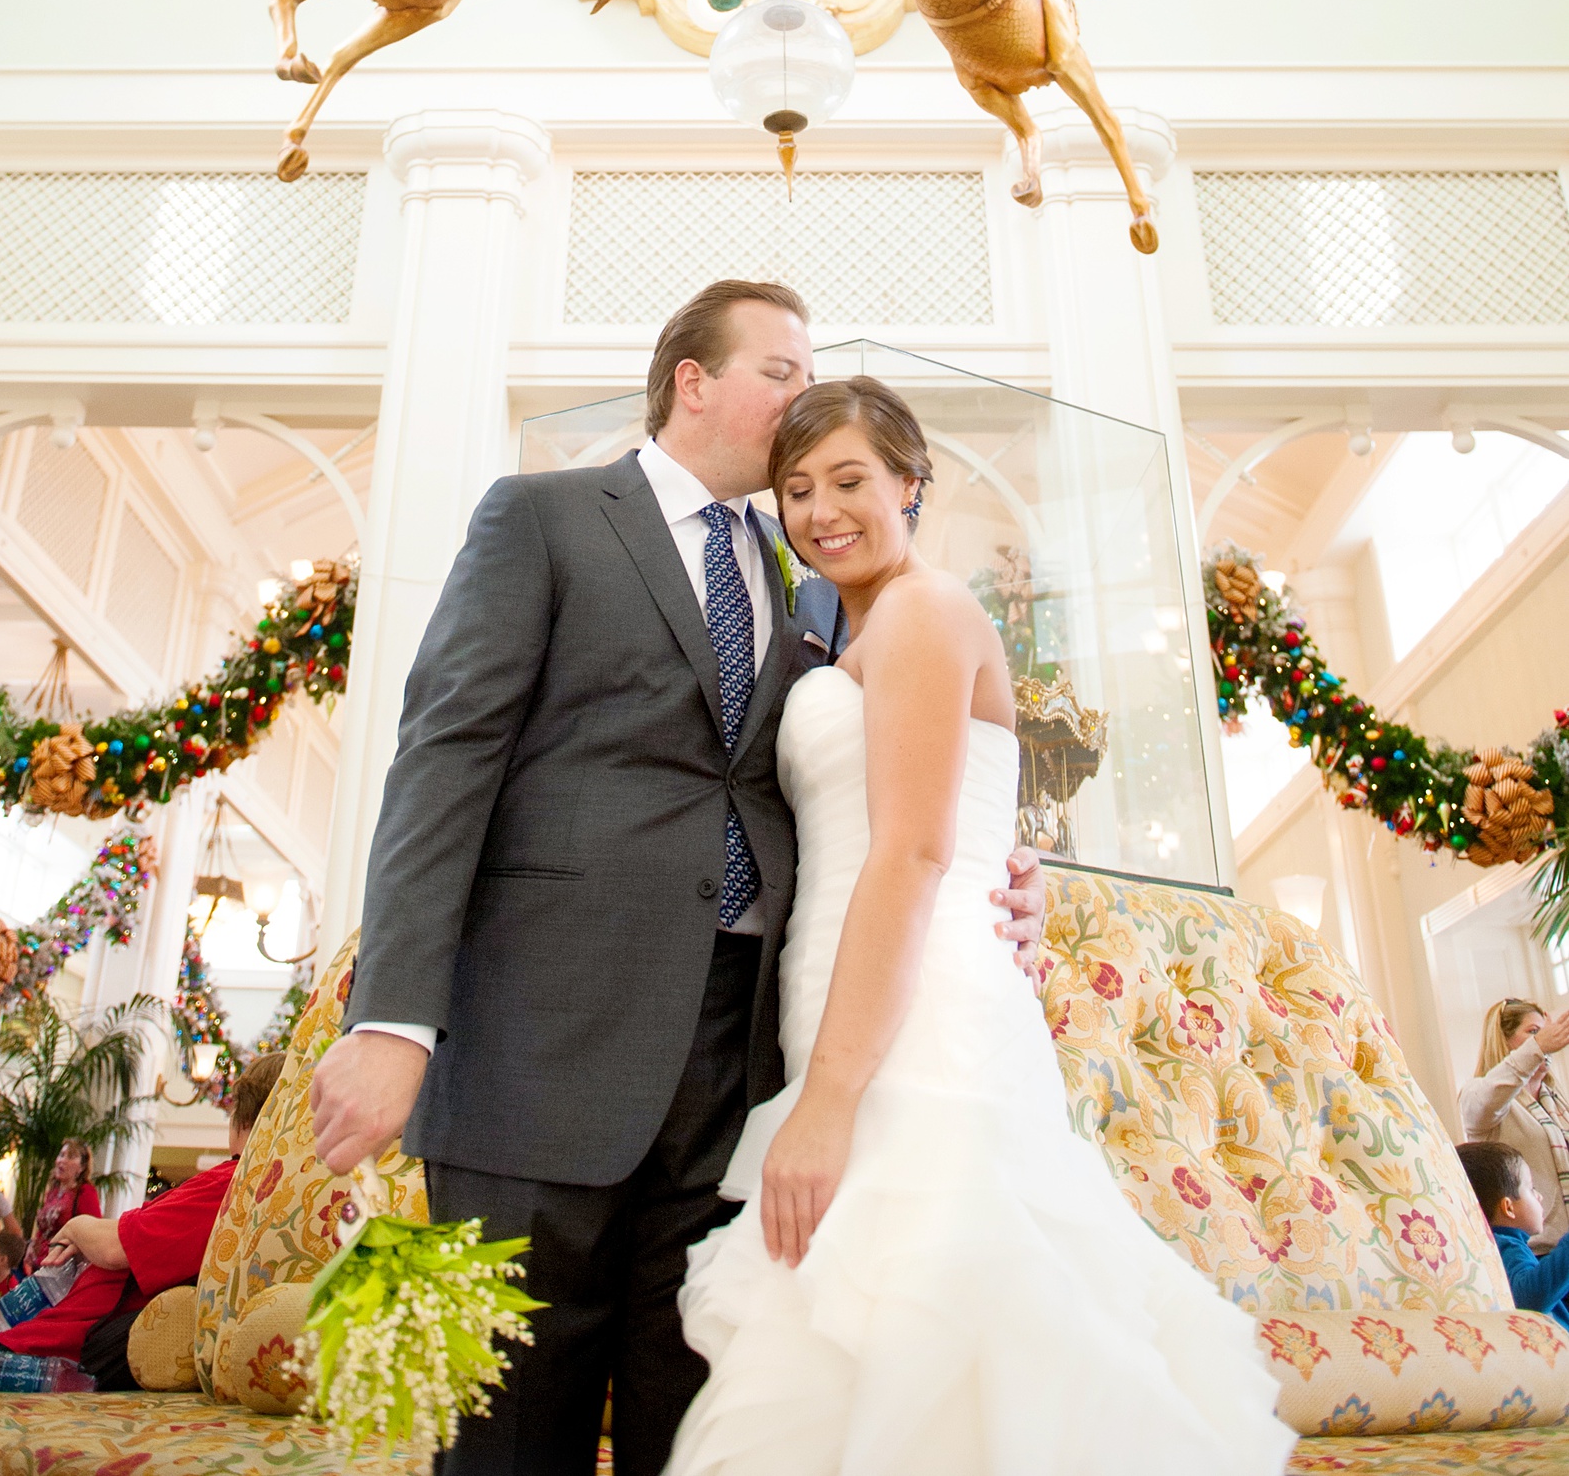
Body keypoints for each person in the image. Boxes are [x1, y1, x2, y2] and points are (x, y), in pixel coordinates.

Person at [309, 280, 1049, 1476]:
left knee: (698, 1424)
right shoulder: (539, 516)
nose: (802, 400)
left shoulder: (820, 588)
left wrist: (1003, 872)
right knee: (503, 1432)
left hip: (739, 1063)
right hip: (535, 1049)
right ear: (692, 381)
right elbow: (442, 760)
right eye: (781, 369)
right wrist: (395, 1016)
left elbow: (890, 789)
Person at [666, 376, 1291, 1475]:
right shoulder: (835, 627)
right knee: (871, 1319)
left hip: (921, 1011)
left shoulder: (922, 607)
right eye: (797, 487)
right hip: (847, 987)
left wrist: (825, 1103)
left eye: (850, 479)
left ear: (910, 483)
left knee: (935, 1302)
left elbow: (909, 853)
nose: (821, 510)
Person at [0, 1053, 284, 1414]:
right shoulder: (265, 1188)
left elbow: (114, 1246)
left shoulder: (234, 1184)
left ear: (244, 1116)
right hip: (65, 1328)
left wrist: (81, 1228)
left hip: (64, 1347)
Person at [1459, 997, 1569, 1246]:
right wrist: (1537, 1046)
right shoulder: (1481, 1097)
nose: (1546, 1040)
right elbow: (1489, 1097)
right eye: (1533, 1032)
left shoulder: (1556, 1101)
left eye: (1546, 1032)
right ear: (1503, 1041)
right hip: (1536, 1250)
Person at [1456, 1140, 1569, 1329]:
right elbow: (1530, 1299)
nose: (1539, 1196)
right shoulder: (1505, 1246)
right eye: (1531, 1189)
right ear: (1508, 1207)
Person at [23, 1140, 101, 1272]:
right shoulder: (54, 1191)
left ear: (82, 1167)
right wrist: (32, 1245)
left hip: (61, 1267)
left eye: (70, 1157)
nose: (62, 1160)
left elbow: (93, 1232)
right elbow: (44, 1228)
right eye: (61, 1155)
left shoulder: (85, 1192)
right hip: (40, 1263)